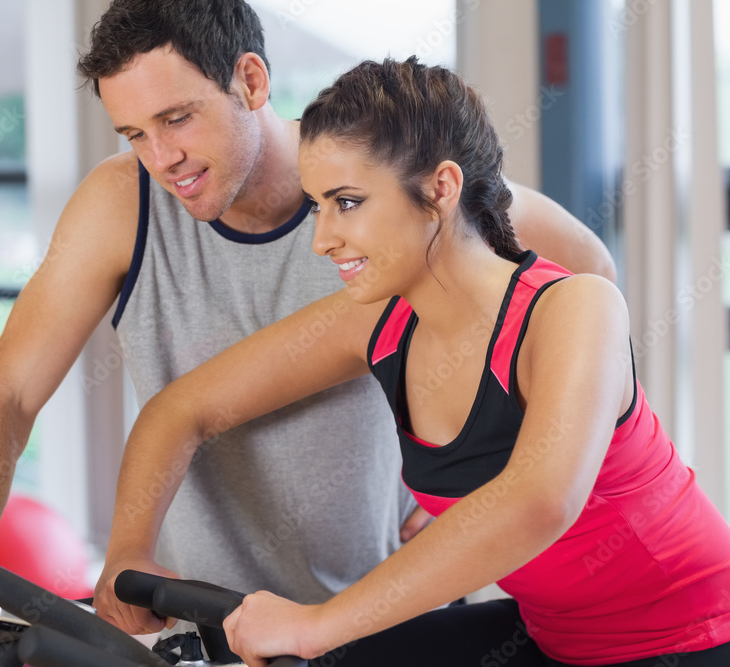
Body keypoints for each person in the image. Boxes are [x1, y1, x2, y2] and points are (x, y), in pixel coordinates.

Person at [0, 0, 617, 658]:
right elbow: (8, 390)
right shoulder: (118, 204)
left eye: (178, 118)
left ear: (250, 80)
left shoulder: (371, 180)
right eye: (135, 133)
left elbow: (584, 270)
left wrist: (478, 467)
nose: (162, 159)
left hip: (385, 619)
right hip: (212, 624)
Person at [98, 56, 730, 666]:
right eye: (317, 205)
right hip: (553, 637)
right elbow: (182, 407)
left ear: (441, 187)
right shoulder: (382, 321)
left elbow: (537, 501)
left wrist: (318, 623)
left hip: (690, 638)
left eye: (346, 202)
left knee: (318, 644)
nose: (322, 239)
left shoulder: (575, 308)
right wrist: (128, 553)